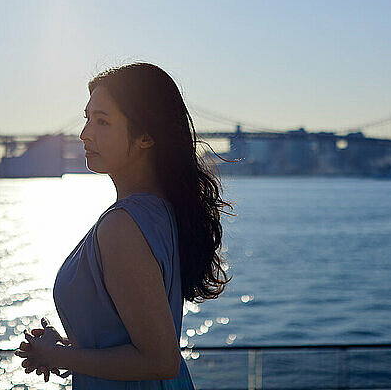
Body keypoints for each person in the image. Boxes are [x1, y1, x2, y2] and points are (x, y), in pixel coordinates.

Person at [15, 62, 234, 388]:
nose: (84, 133)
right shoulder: (159, 211)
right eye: (88, 118)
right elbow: (130, 339)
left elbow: (159, 360)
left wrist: (56, 357)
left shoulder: (122, 226)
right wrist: (67, 348)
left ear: (146, 136)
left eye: (103, 121)